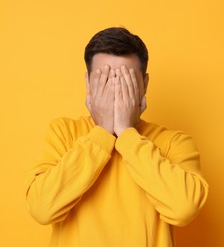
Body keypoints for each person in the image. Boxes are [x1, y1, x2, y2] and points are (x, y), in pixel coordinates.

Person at [25, 27, 209, 247]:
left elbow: (184, 208)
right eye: (104, 80)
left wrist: (126, 133)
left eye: (125, 81)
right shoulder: (63, 133)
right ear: (88, 84)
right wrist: (102, 133)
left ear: (144, 85)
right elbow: (42, 209)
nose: (114, 89)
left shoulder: (174, 142)